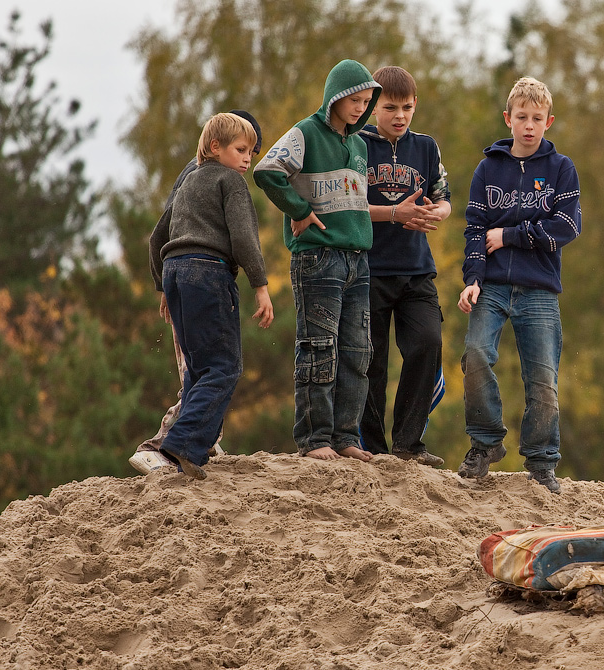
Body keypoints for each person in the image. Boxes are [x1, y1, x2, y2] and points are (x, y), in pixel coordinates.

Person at [456, 76, 583, 494]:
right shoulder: (487, 168)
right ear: (508, 119)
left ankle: (543, 461)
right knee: (475, 354)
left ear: (549, 121)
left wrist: (508, 236)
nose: (529, 125)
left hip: (540, 289)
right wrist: (471, 279)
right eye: (522, 117)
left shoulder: (561, 169)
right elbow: (475, 228)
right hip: (490, 285)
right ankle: (485, 443)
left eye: (538, 118)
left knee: (543, 380)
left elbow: (565, 227)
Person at [253, 59, 381, 463]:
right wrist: (298, 209)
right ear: (335, 98)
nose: (361, 108)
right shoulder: (305, 132)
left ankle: (346, 436)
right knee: (318, 348)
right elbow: (267, 170)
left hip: (358, 261)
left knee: (357, 353)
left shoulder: (360, 145)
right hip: (318, 258)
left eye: (366, 101)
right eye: (354, 100)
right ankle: (314, 439)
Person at [130, 109, 265, 476]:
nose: (247, 160)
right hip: (209, 274)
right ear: (215, 147)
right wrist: (261, 285)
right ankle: (176, 445)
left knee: (195, 370)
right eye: (242, 150)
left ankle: (190, 444)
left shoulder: (188, 181)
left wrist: (163, 285)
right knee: (223, 366)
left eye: (252, 153)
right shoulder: (229, 182)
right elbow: (244, 239)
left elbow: (159, 235)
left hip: (176, 273)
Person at [358, 65, 450, 467]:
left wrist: (436, 214)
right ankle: (373, 449)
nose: (400, 115)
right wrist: (396, 213)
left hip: (417, 270)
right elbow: (349, 205)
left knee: (427, 343)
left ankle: (409, 444)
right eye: (391, 107)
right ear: (373, 106)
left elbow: (443, 195)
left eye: (407, 107)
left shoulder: (426, 146)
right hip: (369, 268)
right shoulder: (355, 144)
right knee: (371, 362)